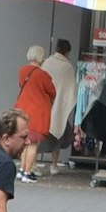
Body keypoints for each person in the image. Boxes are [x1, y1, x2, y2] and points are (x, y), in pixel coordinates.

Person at [13, 45, 57, 182]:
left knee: (25, 142)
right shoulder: (43, 75)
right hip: (37, 113)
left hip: (22, 110)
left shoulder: (22, 71)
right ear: (41, 57)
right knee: (33, 144)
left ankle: (21, 170)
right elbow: (53, 92)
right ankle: (28, 172)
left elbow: (22, 85)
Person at [40, 39, 79, 174]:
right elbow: (71, 89)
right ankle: (54, 165)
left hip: (45, 104)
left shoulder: (47, 63)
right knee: (58, 133)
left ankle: (30, 162)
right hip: (59, 107)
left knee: (38, 135)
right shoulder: (68, 67)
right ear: (68, 52)